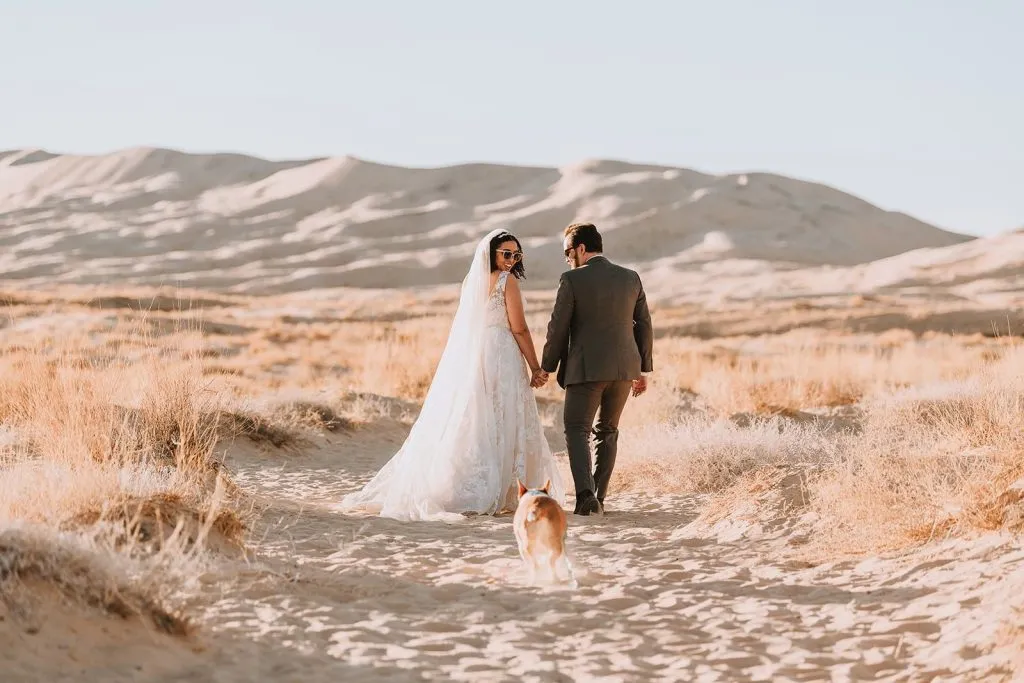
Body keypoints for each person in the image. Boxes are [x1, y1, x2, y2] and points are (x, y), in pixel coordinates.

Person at [338, 228, 566, 521]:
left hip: (477, 354)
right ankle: (504, 488)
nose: (511, 260)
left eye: (516, 255)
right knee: (503, 414)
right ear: (491, 254)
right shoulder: (506, 282)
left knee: (479, 416)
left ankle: (478, 482)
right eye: (506, 254)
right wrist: (535, 366)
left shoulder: (473, 281)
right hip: (502, 355)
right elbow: (519, 328)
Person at [535, 222, 654, 516]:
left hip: (586, 369)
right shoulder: (631, 278)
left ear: (581, 248)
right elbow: (644, 324)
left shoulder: (571, 280)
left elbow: (557, 327)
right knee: (608, 431)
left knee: (577, 430)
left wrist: (547, 366)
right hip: (625, 370)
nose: (566, 258)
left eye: (567, 252)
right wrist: (644, 370)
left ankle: (585, 496)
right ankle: (599, 496)